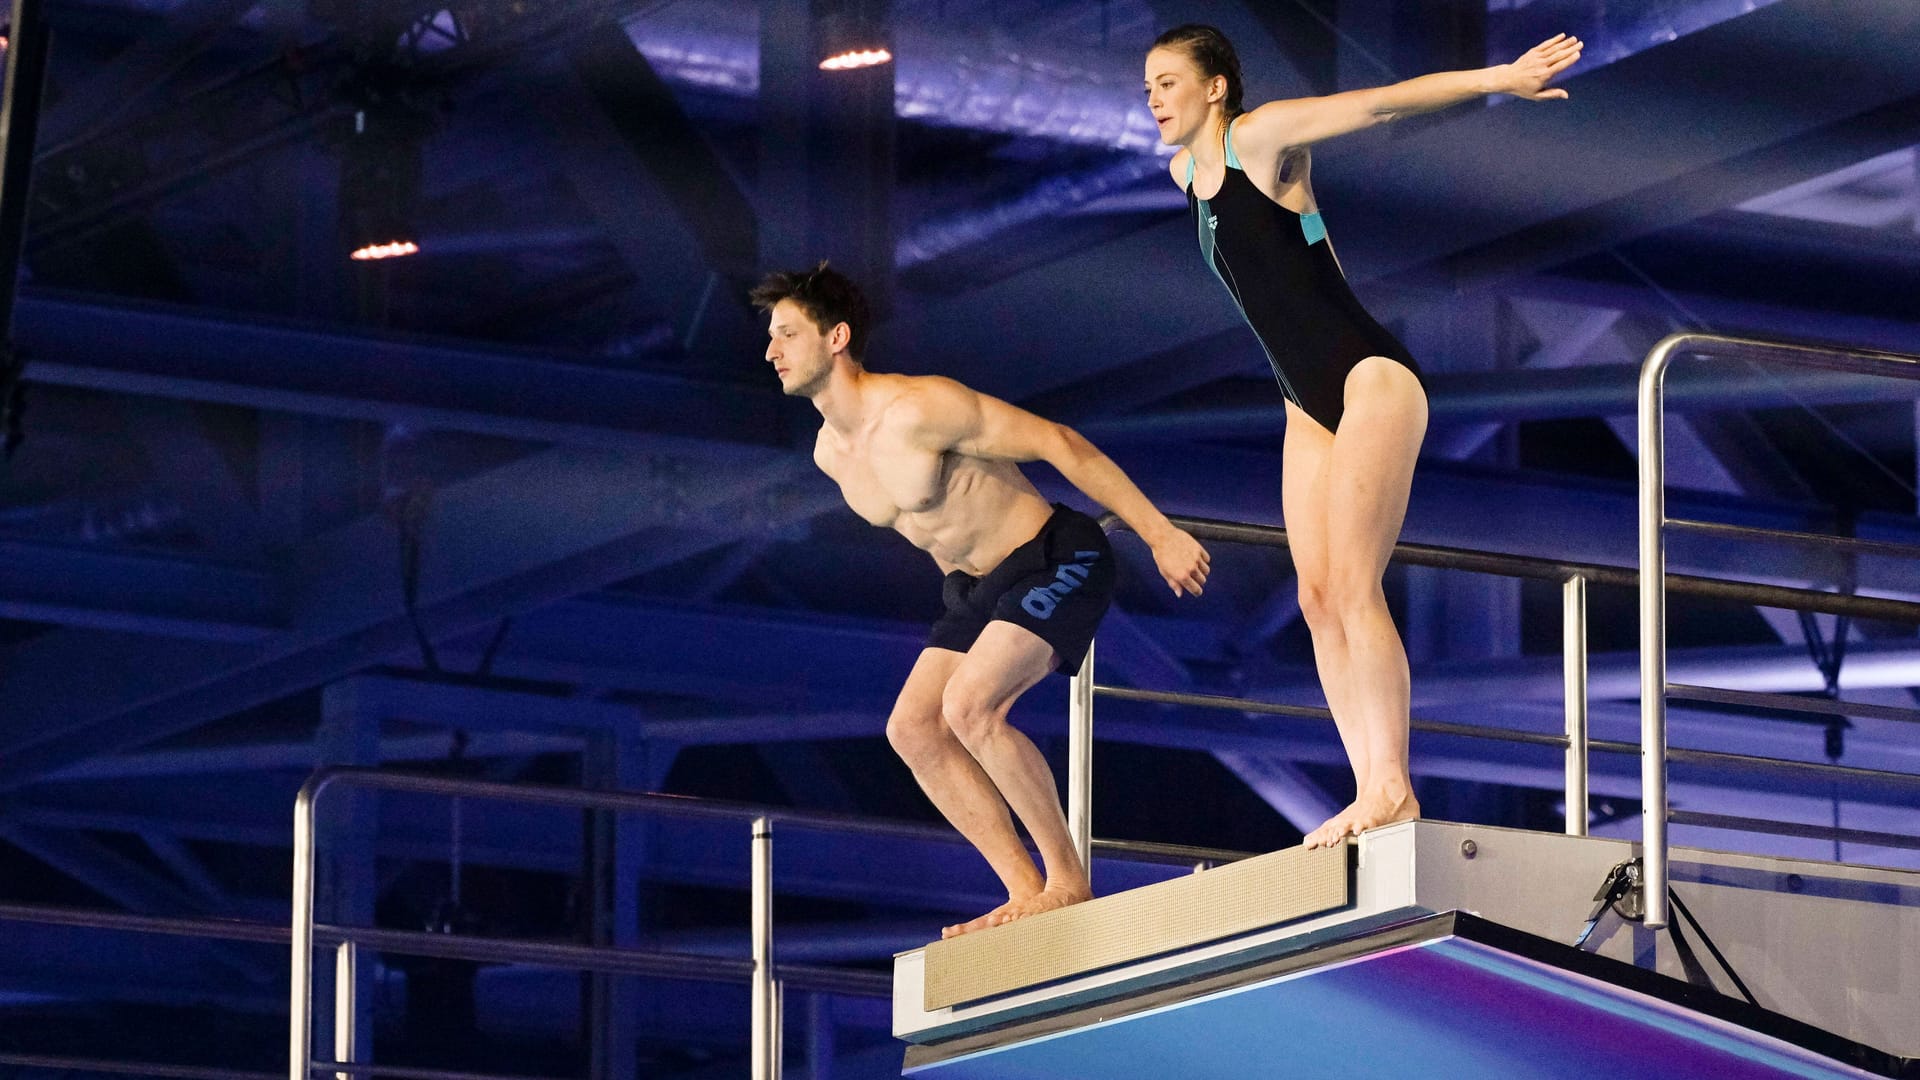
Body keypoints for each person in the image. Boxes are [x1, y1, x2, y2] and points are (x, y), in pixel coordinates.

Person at [1143, 26, 1582, 849]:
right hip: (1303, 404)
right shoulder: (1185, 178)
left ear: (1214, 87)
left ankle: (1394, 788)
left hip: (1368, 377)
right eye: (1149, 88)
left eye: (1169, 82)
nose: (1156, 99)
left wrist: (1502, 76)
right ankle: (1365, 787)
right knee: (1314, 599)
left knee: (1353, 586)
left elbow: (1378, 104)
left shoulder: (1258, 136)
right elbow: (1308, 253)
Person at [751, 263, 1210, 937]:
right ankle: (1025, 891)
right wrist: (964, 604)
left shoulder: (921, 408)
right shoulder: (831, 452)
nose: (771, 352)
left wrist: (1160, 534)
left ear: (837, 337)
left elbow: (1061, 443)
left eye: (787, 334)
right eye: (770, 338)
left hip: (1057, 554)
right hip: (978, 587)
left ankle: (1067, 883)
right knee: (911, 728)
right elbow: (931, 529)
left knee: (970, 705)